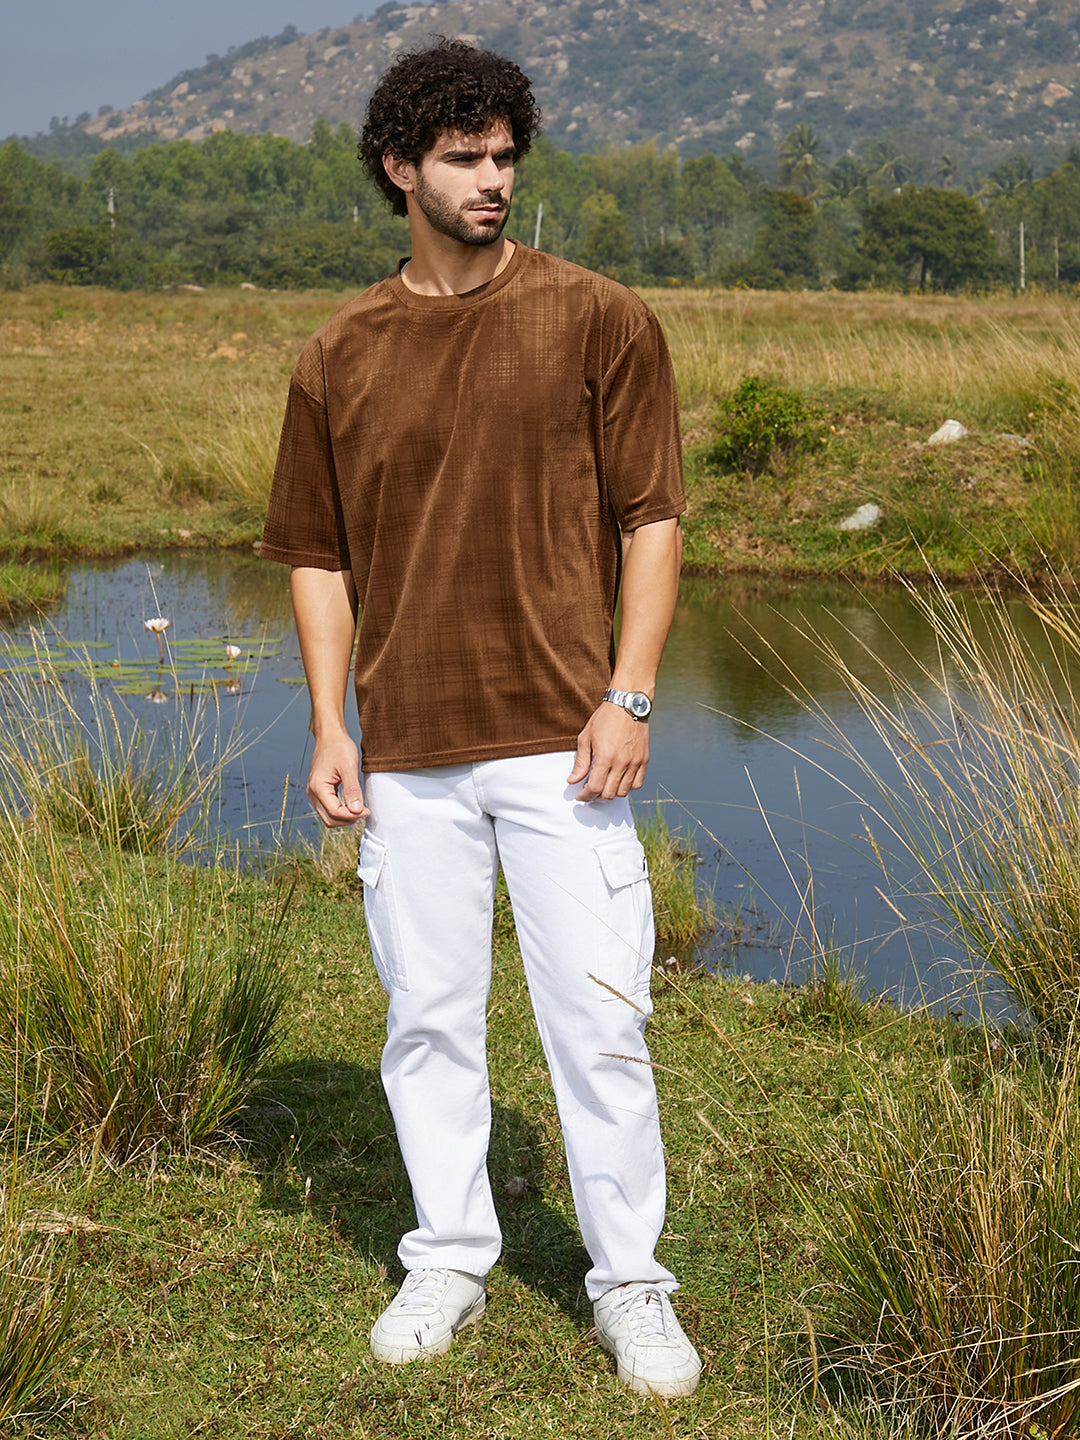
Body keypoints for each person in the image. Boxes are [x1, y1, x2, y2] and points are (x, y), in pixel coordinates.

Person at [260, 37, 700, 1400]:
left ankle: (631, 1284)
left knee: (602, 1027)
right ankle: (448, 1253)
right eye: (465, 157)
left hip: (569, 743)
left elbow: (653, 518)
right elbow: (316, 556)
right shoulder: (339, 354)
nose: (494, 178)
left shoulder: (599, 319)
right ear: (402, 169)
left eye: (507, 154)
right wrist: (332, 727)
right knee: (429, 1021)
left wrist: (629, 694)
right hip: (408, 753)